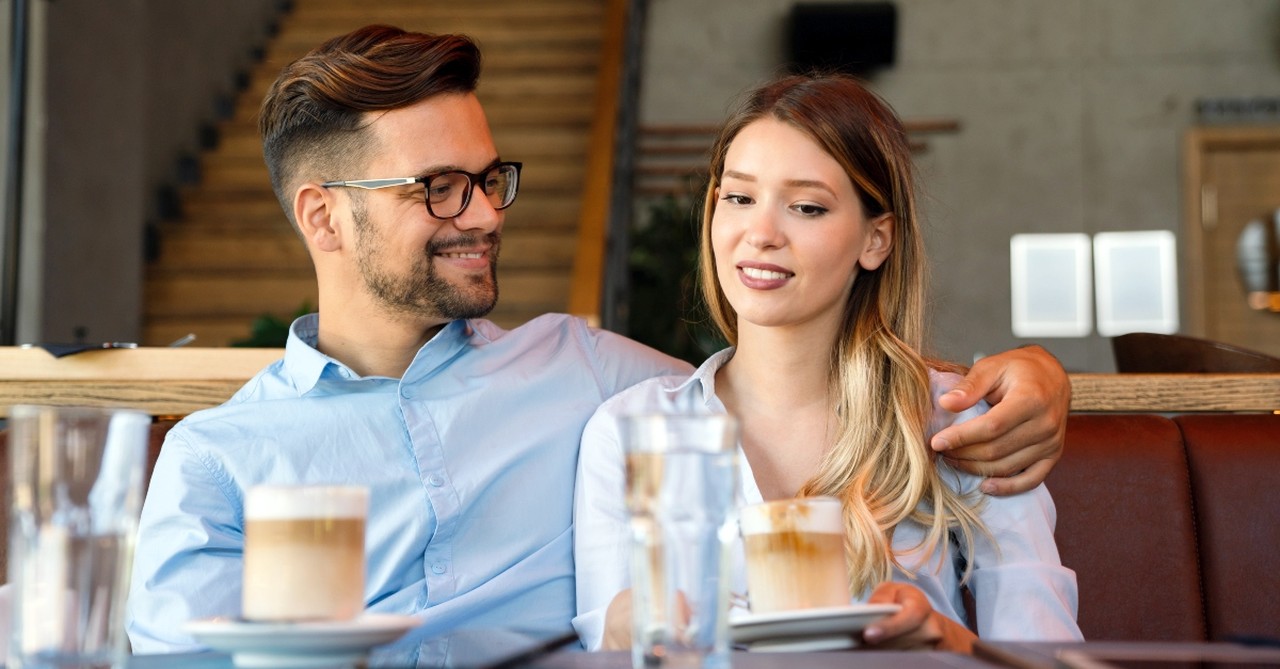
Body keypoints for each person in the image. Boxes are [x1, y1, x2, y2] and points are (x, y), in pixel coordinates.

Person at [126, 25, 1069, 663]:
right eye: (440, 187)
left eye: (491, 178)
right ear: (323, 218)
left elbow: (780, 383)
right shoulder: (216, 461)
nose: (487, 214)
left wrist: (1036, 376)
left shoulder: (583, 375)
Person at [573, 73, 1082, 653]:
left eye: (807, 207)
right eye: (738, 198)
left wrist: (945, 643)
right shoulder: (628, 432)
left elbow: (1050, 655)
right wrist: (624, 633)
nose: (760, 234)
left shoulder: (958, 423)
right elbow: (610, 644)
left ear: (876, 240)